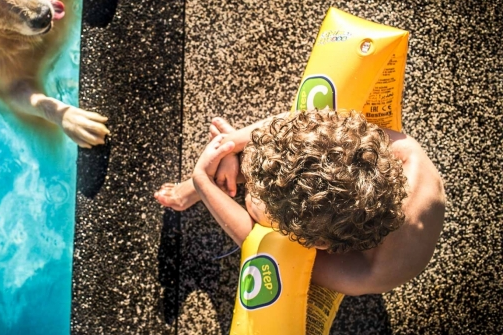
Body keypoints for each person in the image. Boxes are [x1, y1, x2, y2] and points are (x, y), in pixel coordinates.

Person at [154, 110, 446, 296]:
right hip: (341, 217)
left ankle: (222, 181)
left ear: (319, 245)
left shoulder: (366, 275)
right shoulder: (409, 154)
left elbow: (260, 245)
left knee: (258, 204)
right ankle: (231, 169)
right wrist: (231, 144)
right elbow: (297, 123)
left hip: (353, 248)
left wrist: (202, 180)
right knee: (285, 161)